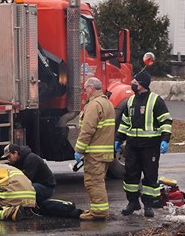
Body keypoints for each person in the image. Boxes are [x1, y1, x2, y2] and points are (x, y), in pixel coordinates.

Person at [115, 71, 172, 218]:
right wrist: (119, 139)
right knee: (130, 175)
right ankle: (132, 203)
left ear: (142, 84)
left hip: (150, 146)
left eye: (135, 81)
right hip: (132, 146)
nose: (133, 83)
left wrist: (165, 139)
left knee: (150, 176)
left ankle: (148, 205)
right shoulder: (130, 101)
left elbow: (165, 121)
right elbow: (125, 122)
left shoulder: (156, 101)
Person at [74, 77, 115, 220]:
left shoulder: (93, 105)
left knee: (93, 182)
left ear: (91, 88)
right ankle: (97, 209)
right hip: (105, 152)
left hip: (95, 153)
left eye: (85, 89)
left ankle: (99, 212)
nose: (85, 93)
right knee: (99, 181)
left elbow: (87, 130)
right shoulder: (107, 103)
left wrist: (79, 150)